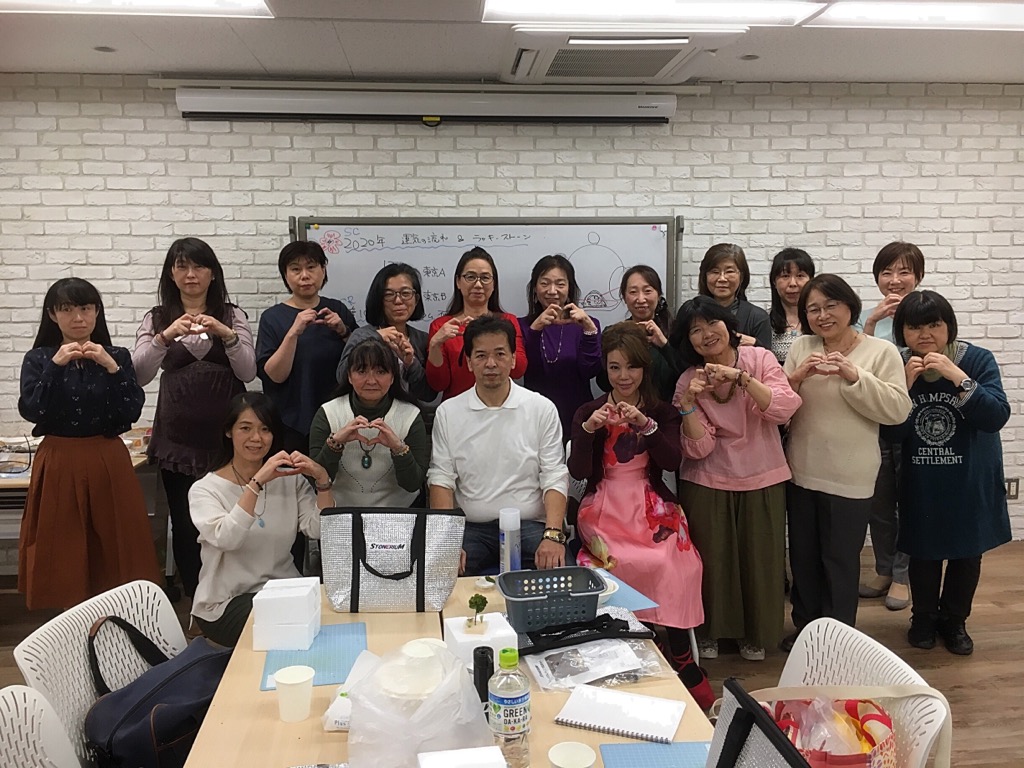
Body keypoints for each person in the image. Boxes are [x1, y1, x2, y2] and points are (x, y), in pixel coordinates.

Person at [569, 322, 713, 710]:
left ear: (644, 368)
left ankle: (680, 652)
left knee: (671, 559)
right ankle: (645, 640)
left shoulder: (660, 410)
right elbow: (579, 471)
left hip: (651, 503)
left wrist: (646, 426)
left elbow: (672, 460)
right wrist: (588, 430)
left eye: (631, 367)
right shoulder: (588, 410)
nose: (623, 376)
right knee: (623, 560)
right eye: (615, 367)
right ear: (605, 368)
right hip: (604, 504)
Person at [781, 274, 911, 651]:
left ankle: (838, 641)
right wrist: (796, 377)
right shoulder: (802, 346)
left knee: (839, 562)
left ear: (850, 307)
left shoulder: (880, 352)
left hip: (851, 475)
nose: (822, 315)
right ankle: (806, 631)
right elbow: (780, 405)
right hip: (802, 470)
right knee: (804, 560)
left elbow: (897, 410)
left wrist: (855, 376)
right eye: (813, 309)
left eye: (830, 306)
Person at [672, 297, 802, 662]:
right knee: (712, 562)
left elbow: (783, 408)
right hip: (707, 479)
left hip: (762, 475)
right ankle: (711, 631)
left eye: (712, 324)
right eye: (695, 331)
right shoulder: (688, 379)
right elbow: (699, 448)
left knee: (760, 561)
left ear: (728, 326)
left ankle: (754, 634)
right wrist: (688, 404)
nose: (706, 334)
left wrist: (742, 379)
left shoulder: (759, 359)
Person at [18, 278, 159, 610]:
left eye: (85, 308)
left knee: (116, 540)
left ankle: (119, 612)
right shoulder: (39, 358)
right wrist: (55, 367)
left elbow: (131, 410)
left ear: (97, 312)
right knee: (61, 543)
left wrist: (112, 368)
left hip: (107, 456)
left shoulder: (117, 356)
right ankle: (67, 618)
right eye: (67, 309)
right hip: (59, 458)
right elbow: (32, 410)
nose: (78, 317)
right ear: (52, 315)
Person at [886, 291, 1010, 655]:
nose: (925, 334)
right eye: (914, 327)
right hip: (921, 479)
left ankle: (955, 621)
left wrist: (959, 377)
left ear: (949, 326)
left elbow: (995, 416)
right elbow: (889, 432)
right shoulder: (897, 364)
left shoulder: (976, 359)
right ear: (901, 331)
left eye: (934, 325)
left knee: (967, 554)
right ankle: (923, 618)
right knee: (923, 552)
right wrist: (903, 388)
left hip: (970, 477)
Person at [133, 237, 257, 600]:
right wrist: (165, 337)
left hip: (228, 441)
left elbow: (248, 371)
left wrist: (227, 335)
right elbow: (139, 374)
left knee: (233, 515)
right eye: (182, 266)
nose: (191, 274)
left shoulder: (232, 315)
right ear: (171, 274)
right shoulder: (156, 318)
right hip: (178, 442)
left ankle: (235, 592)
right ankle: (196, 598)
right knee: (186, 523)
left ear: (213, 274)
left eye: (199, 266)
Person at [428, 315, 568, 575]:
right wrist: (447, 540)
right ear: (469, 362)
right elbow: (441, 479)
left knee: (560, 574)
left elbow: (554, 476)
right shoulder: (449, 412)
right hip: (472, 527)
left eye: (500, 354)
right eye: (481, 356)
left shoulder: (541, 408)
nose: (491, 364)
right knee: (440, 574)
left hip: (529, 524)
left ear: (513, 359)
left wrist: (553, 535)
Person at [189, 392, 332, 647]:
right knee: (290, 629)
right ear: (229, 432)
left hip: (285, 592)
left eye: (265, 429)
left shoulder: (290, 481)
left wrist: (322, 481)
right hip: (228, 602)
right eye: (245, 428)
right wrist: (256, 484)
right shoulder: (205, 489)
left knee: (330, 616)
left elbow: (318, 529)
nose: (256, 438)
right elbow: (227, 538)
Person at [859, 241, 927, 611]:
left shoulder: (927, 313)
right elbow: (857, 367)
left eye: (904, 272)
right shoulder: (863, 317)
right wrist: (871, 323)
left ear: (918, 276)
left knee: (909, 500)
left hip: (916, 422)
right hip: (874, 421)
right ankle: (884, 568)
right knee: (879, 502)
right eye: (887, 272)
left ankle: (903, 575)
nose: (895, 279)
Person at [257, 240, 358, 453]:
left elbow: (360, 361)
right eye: (296, 269)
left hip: (338, 417)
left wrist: (343, 331)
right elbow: (274, 376)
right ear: (285, 275)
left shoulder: (338, 309)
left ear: (323, 270)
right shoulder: (272, 318)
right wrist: (293, 332)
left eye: (311, 267)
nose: (304, 275)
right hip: (290, 423)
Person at [312, 338, 429, 507]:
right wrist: (335, 444)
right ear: (349, 376)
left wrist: (399, 449)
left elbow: (413, 484)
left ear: (393, 377)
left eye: (380, 372)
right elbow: (315, 480)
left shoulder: (410, 415)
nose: (371, 381)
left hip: (398, 514)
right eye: (362, 371)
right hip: (338, 511)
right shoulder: (328, 413)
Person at [425, 247, 527, 401]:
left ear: (494, 284)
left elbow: (518, 370)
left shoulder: (507, 322)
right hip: (457, 409)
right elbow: (438, 384)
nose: (478, 284)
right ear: (458, 282)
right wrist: (435, 345)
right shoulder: (441, 326)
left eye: (485, 278)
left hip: (501, 407)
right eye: (470, 277)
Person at [518, 255, 602, 439]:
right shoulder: (522, 326)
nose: (552, 290)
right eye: (544, 283)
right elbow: (524, 369)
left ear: (570, 288)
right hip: (535, 417)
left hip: (578, 417)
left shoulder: (588, 324)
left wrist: (589, 330)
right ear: (535, 288)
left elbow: (590, 371)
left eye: (560, 284)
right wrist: (535, 329)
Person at [336, 262, 436, 406]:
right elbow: (342, 378)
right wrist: (375, 338)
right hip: (364, 414)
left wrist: (411, 364)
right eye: (389, 295)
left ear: (416, 299)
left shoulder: (422, 340)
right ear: (379, 300)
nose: (398, 301)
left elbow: (428, 394)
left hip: (408, 416)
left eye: (406, 293)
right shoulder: (361, 335)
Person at [600, 265, 682, 402]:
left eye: (647, 291)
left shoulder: (675, 330)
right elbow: (603, 383)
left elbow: (684, 376)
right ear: (624, 297)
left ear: (658, 295)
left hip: (666, 410)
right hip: (625, 409)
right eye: (633, 292)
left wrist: (664, 345)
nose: (641, 299)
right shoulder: (612, 334)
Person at [695, 243, 771, 348]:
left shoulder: (758, 317)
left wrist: (755, 343)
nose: (722, 278)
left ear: (741, 277)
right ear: (705, 276)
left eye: (729, 271)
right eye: (715, 272)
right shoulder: (693, 315)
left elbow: (767, 356)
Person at [768, 248, 816, 365]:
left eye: (800, 276)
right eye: (785, 276)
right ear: (774, 281)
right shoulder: (764, 321)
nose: (793, 283)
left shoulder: (820, 319)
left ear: (811, 280)